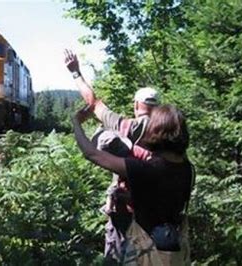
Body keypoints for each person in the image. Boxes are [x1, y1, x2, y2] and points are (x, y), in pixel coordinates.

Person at [64, 49, 160, 261]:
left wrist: (75, 72)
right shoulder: (169, 133)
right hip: (154, 215)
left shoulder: (126, 126)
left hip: (123, 210)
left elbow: (93, 103)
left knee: (115, 256)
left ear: (136, 105)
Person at [72, 104, 194, 265]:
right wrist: (130, 197)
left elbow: (92, 154)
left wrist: (76, 123)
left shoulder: (147, 168)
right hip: (173, 249)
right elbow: (164, 199)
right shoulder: (188, 169)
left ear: (155, 131)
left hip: (145, 252)